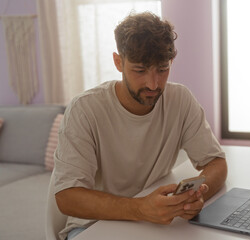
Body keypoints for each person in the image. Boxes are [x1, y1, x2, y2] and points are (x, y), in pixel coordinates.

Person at [53, 12, 227, 240]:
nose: (153, 84)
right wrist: (140, 208)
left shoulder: (180, 99)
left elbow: (216, 163)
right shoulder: (84, 109)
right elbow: (67, 197)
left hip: (154, 225)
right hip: (93, 227)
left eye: (162, 70)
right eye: (140, 70)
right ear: (118, 62)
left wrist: (198, 195)